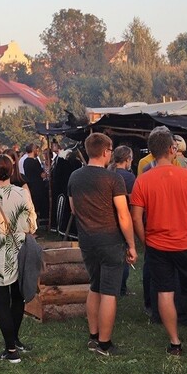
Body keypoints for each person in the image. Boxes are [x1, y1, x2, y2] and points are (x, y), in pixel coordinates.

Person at [130, 127, 187, 355]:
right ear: (172, 149)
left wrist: (144, 240)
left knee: (165, 294)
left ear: (151, 152)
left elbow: (137, 218)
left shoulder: (142, 181)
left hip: (158, 245)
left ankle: (175, 343)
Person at [68, 133, 137, 356]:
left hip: (87, 240)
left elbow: (73, 209)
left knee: (95, 286)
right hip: (110, 240)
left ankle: (93, 336)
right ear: (107, 151)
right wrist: (132, 244)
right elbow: (123, 214)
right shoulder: (113, 179)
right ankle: (105, 344)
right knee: (109, 292)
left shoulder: (74, 177)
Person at [0, 155, 37, 364]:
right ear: (12, 171)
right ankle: (14, 340)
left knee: (2, 301)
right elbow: (32, 224)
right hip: (19, 247)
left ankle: (11, 348)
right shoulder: (22, 193)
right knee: (18, 297)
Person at [110, 145, 136, 296]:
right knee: (124, 254)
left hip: (108, 220)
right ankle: (121, 288)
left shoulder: (108, 172)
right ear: (127, 160)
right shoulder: (128, 177)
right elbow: (133, 201)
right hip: (123, 218)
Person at [23, 143, 47, 222]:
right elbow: (42, 175)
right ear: (34, 150)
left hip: (31, 185)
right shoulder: (34, 162)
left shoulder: (25, 161)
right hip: (37, 186)